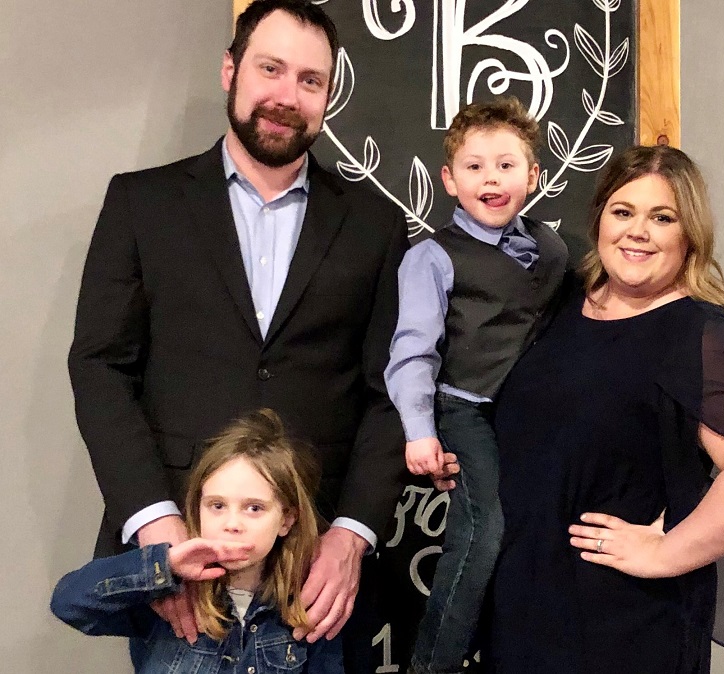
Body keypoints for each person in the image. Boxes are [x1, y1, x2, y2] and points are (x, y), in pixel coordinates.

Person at [67, 0, 407, 667]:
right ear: (231, 71)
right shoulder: (142, 203)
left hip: (314, 576)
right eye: (270, 69)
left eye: (310, 80)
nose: (287, 96)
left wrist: (352, 534)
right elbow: (99, 367)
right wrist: (155, 527)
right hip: (176, 572)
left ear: (329, 96)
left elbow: (393, 390)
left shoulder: (376, 224)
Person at [487, 144, 724, 673]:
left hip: (624, 628)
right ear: (599, 220)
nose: (638, 232)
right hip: (523, 610)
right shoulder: (563, 306)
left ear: (689, 234)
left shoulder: (695, 333)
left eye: (662, 217)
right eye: (623, 211)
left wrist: (666, 552)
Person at [384, 97, 568, 674]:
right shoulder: (432, 257)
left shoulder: (553, 249)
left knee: (535, 531)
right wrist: (419, 431)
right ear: (449, 180)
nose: (491, 178)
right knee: (483, 529)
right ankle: (431, 665)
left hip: (525, 415)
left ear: (533, 176)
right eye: (474, 166)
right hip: (462, 407)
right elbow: (412, 350)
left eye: (506, 165)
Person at [52, 409, 343, 674]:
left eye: (254, 508)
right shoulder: (169, 593)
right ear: (198, 508)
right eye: (217, 506)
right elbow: (69, 604)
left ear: (286, 519)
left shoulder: (307, 604)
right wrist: (164, 566)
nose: (232, 524)